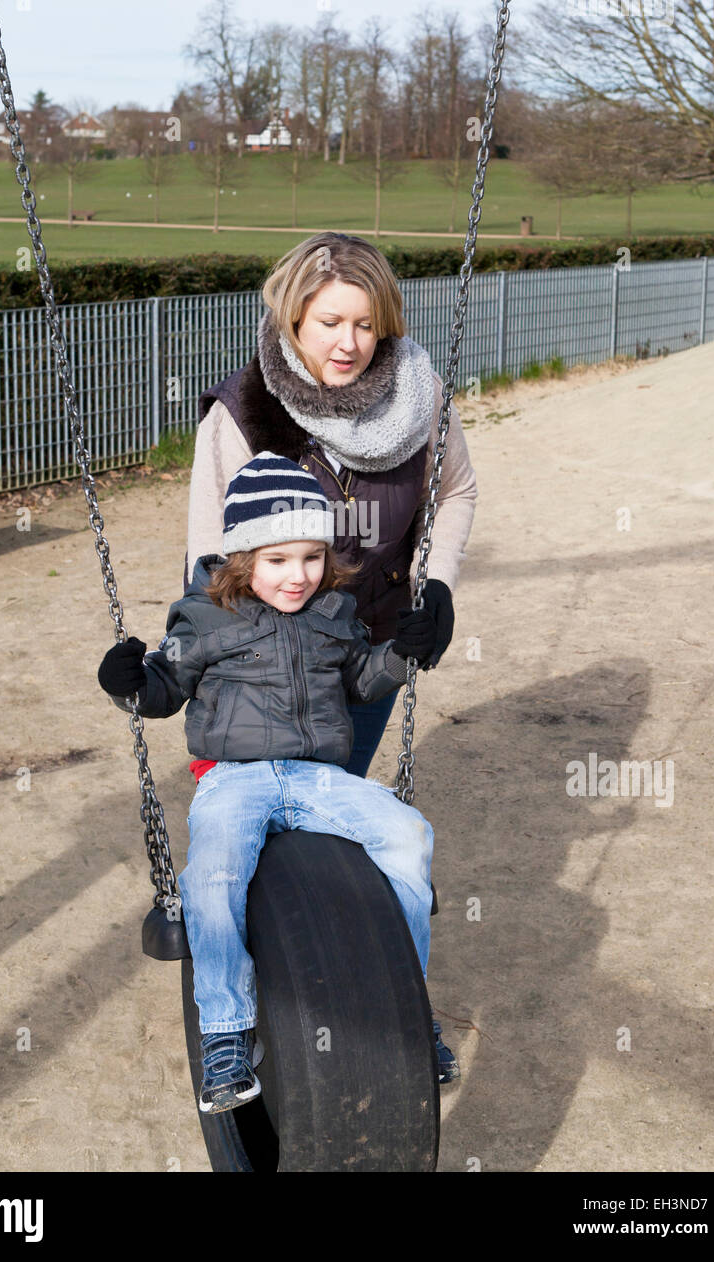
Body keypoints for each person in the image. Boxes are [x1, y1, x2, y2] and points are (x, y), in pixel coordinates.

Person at [98, 452, 455, 1114]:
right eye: (278, 561)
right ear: (241, 560)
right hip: (235, 779)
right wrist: (130, 684)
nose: (299, 577)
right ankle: (226, 1037)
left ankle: (408, 1013)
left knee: (409, 834)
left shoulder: (334, 613)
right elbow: (165, 684)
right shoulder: (203, 619)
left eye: (312, 558)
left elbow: (361, 681)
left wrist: (403, 652)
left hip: (320, 778)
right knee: (212, 875)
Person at [183, 230, 477, 781]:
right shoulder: (244, 411)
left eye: (366, 325)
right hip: (264, 663)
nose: (350, 344)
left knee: (338, 790)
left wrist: (434, 583)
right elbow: (209, 549)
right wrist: (190, 658)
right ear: (294, 319)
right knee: (265, 817)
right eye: (330, 323)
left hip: (372, 644)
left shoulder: (420, 395)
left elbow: (453, 490)